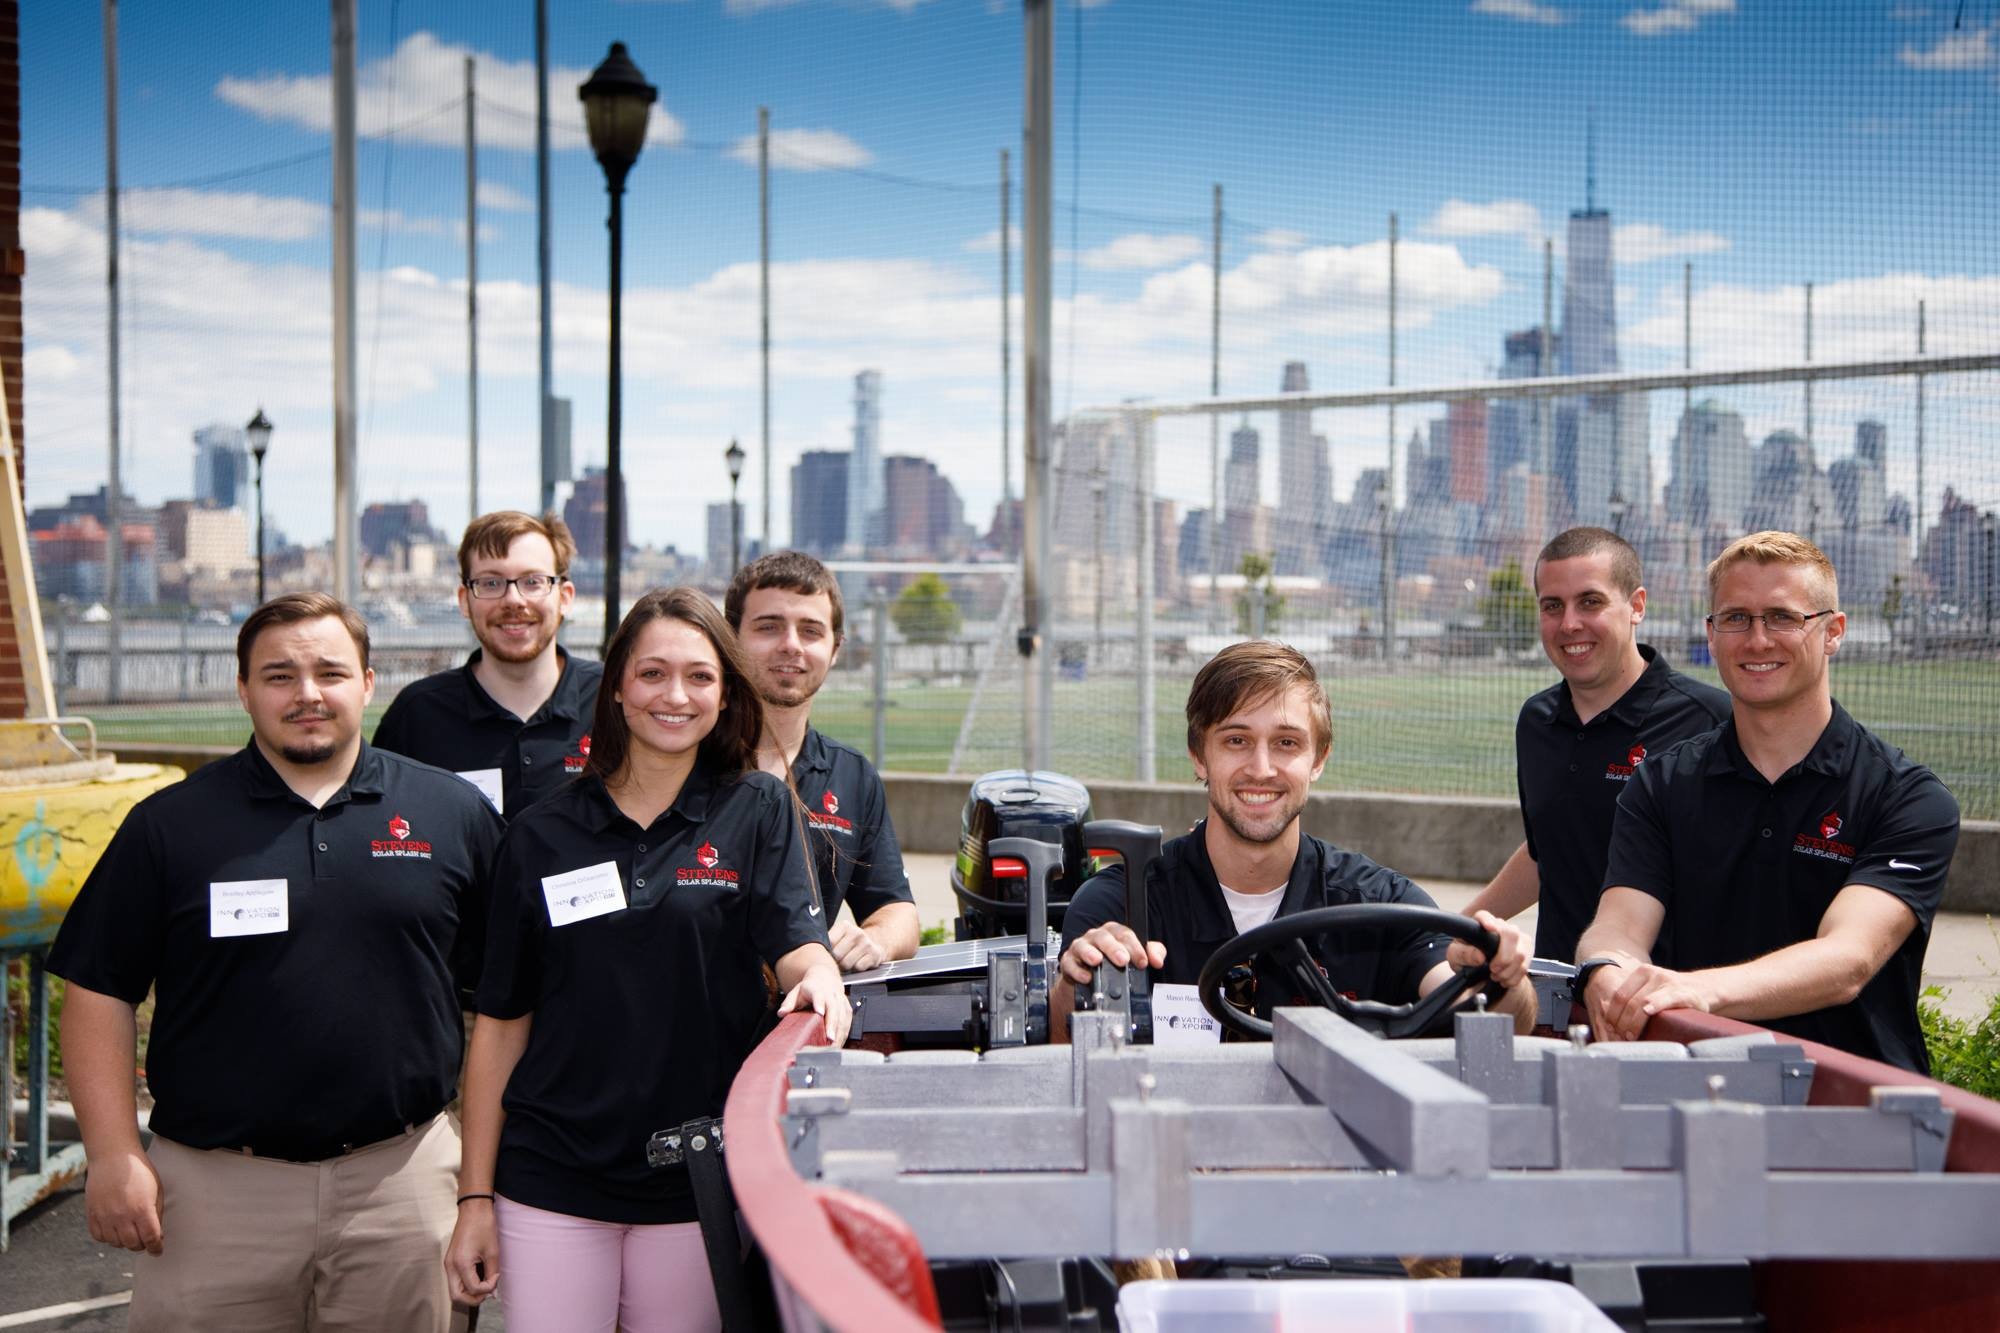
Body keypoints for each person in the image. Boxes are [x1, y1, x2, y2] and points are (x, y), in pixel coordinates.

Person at [51, 592, 504, 1333]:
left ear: (367, 680)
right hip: (212, 1194)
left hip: (402, 1181)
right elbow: (98, 992)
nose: (307, 695)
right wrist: (111, 1154)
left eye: (329, 672)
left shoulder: (450, 813)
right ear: (243, 689)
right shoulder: (172, 824)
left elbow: (504, 1004)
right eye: (279, 676)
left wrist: (479, 1183)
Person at [445, 587, 851, 1332]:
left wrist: (820, 979)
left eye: (700, 676)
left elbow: (799, 945)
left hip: (692, 1178)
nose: (676, 694)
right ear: (619, 690)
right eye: (653, 673)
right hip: (550, 1177)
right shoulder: (541, 833)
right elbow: (500, 1025)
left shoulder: (757, 807)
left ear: (725, 695)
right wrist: (475, 1198)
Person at [1575, 532, 1960, 1072]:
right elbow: (1619, 927)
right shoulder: (1660, 783)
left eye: (1782, 617)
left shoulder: (1908, 797)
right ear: (1711, 636)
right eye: (1735, 618)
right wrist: (1607, 970)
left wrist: (1695, 992)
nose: (1757, 640)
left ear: (1833, 632)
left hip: (1860, 1114)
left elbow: (1846, 961)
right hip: (1696, 1095)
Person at [1055, 640, 1537, 1037]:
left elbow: (1492, 1023)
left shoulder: (1379, 903)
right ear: (1199, 756)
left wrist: (1501, 978)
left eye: (1287, 743)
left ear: (1319, 759)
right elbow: (1059, 1045)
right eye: (1236, 740)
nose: (1261, 769)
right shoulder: (1121, 906)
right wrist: (1073, 982)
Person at [1465, 527, 1729, 964]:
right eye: (1553, 606)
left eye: (1591, 602)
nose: (1570, 624)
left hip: (1665, 999)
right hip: (1556, 995)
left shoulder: (1710, 723)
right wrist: (1461, 925)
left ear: (1636, 606)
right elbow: (1544, 851)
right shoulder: (1536, 722)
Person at [725, 551, 919, 971]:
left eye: (810, 630)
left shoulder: (851, 775)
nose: (790, 645)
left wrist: (876, 940)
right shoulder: (687, 759)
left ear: (835, 649)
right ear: (730, 637)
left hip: (801, 1023)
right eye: (768, 627)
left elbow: (897, 910)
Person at [373, 510, 601, 819]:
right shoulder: (416, 715)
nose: (513, 600)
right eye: (491, 583)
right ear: (465, 600)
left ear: (565, 597)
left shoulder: (613, 701)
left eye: (533, 581)